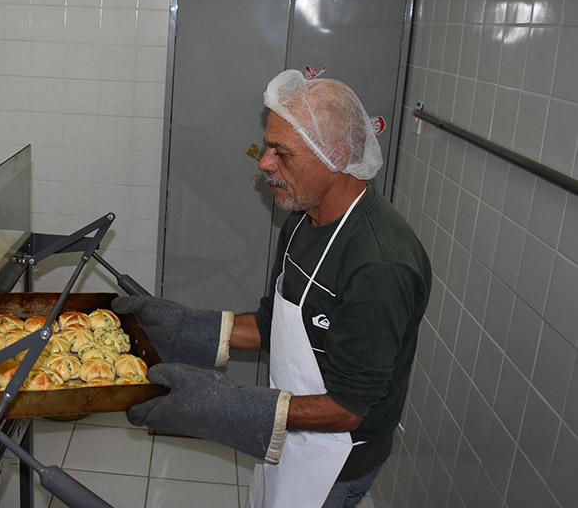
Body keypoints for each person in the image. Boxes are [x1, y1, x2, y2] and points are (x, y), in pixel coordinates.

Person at [113, 69, 431, 508]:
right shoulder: (303, 219)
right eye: (267, 146)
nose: (263, 162)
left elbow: (348, 407)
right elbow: (273, 322)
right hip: (289, 434)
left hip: (335, 459)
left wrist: (225, 407)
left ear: (335, 156)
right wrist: (183, 327)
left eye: (282, 152)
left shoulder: (379, 263)